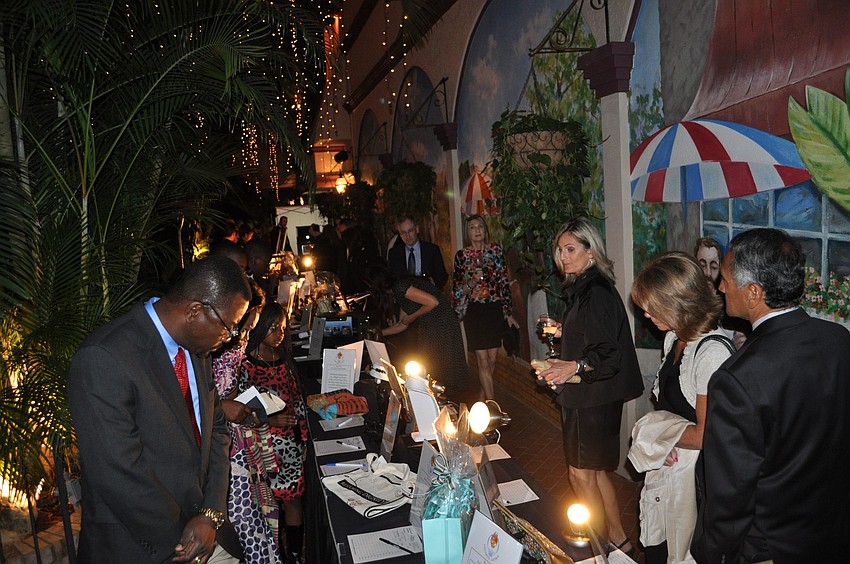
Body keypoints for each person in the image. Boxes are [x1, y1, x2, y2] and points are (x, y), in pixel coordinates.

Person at [68, 256, 251, 563]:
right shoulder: (104, 357)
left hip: (205, 530)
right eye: (229, 327)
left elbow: (217, 429)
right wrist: (187, 539)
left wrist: (210, 515)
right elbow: (118, 475)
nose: (230, 338)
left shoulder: (197, 346)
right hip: (143, 545)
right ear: (195, 310)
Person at [690, 228, 850, 563]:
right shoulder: (839, 339)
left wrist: (711, 553)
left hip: (771, 547)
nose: (720, 286)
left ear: (753, 293)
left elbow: (730, 496)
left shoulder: (736, 378)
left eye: (726, 279)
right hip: (833, 532)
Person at [535, 217, 644, 554]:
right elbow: (594, 337)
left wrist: (574, 366)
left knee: (579, 476)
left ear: (591, 251)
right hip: (599, 395)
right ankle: (619, 541)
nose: (563, 257)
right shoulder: (589, 286)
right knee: (594, 474)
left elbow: (607, 353)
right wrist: (562, 335)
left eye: (571, 249)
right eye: (560, 250)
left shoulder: (594, 291)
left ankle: (597, 549)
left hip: (591, 398)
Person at [629, 252, 734, 563]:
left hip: (698, 486)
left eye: (652, 307)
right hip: (670, 473)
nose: (646, 315)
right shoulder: (674, 338)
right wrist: (663, 442)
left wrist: (661, 437)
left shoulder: (711, 354)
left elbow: (706, 436)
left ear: (680, 303)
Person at [212, 281, 284, 564]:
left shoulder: (233, 340)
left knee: (257, 514)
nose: (243, 336)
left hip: (237, 437)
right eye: (242, 328)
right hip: (220, 442)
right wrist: (222, 409)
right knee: (243, 520)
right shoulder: (204, 347)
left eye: (249, 330)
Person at [241, 302, 308, 564]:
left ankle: (295, 553)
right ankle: (273, 553)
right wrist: (270, 420)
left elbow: (297, 401)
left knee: (293, 501)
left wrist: (302, 439)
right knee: (266, 507)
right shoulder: (245, 364)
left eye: (281, 328)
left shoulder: (285, 358)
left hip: (289, 445)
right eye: (272, 327)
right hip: (261, 447)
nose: (279, 333)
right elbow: (240, 410)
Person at [370, 265, 468, 395]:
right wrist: (380, 332)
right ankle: (436, 394)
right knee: (431, 362)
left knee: (439, 363)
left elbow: (433, 302)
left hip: (440, 322)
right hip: (431, 323)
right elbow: (402, 324)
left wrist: (412, 317)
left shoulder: (400, 287)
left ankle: (444, 396)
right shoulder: (399, 290)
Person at [451, 214, 519, 399]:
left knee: (492, 360)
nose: (477, 230)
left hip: (493, 310)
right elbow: (457, 292)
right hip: (474, 311)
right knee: (482, 360)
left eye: (479, 226)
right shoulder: (462, 256)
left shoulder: (495, 251)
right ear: (468, 233)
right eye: (472, 227)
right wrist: (472, 281)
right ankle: (492, 405)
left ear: (485, 229)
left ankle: (483, 394)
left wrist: (508, 313)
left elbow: (503, 283)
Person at [387, 215, 449, 290]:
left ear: (417, 229)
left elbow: (442, 276)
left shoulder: (432, 250)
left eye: (410, 231)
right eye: (403, 233)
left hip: (428, 296)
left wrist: (433, 284)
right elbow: (391, 279)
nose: (407, 236)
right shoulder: (395, 253)